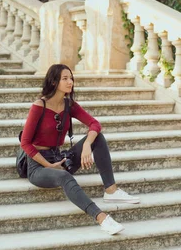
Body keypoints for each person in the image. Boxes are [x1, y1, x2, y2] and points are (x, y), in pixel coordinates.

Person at [21, 64, 140, 235]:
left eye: (71, 78)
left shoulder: (69, 105)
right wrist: (48, 165)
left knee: (96, 137)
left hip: (59, 157)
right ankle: (102, 218)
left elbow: (95, 124)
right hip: (39, 166)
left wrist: (86, 145)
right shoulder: (39, 106)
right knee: (64, 176)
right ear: (54, 82)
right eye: (65, 78)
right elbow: (25, 143)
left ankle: (111, 190)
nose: (70, 82)